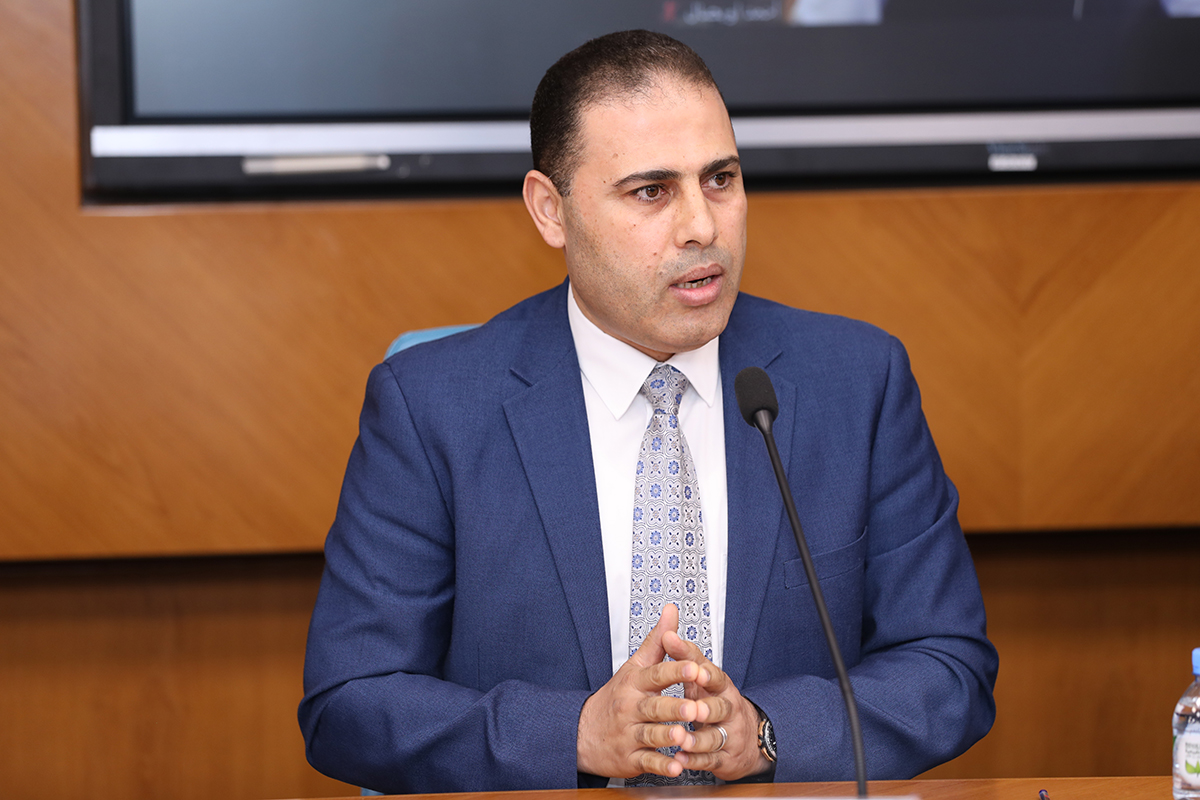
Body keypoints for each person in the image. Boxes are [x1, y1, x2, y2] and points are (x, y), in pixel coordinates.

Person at [299, 29, 997, 794]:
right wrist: (576, 734)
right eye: (652, 191)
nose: (703, 226)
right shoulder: (431, 408)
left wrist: (765, 733)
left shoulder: (856, 384)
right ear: (551, 211)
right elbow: (350, 703)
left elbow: (949, 666)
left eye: (721, 179)